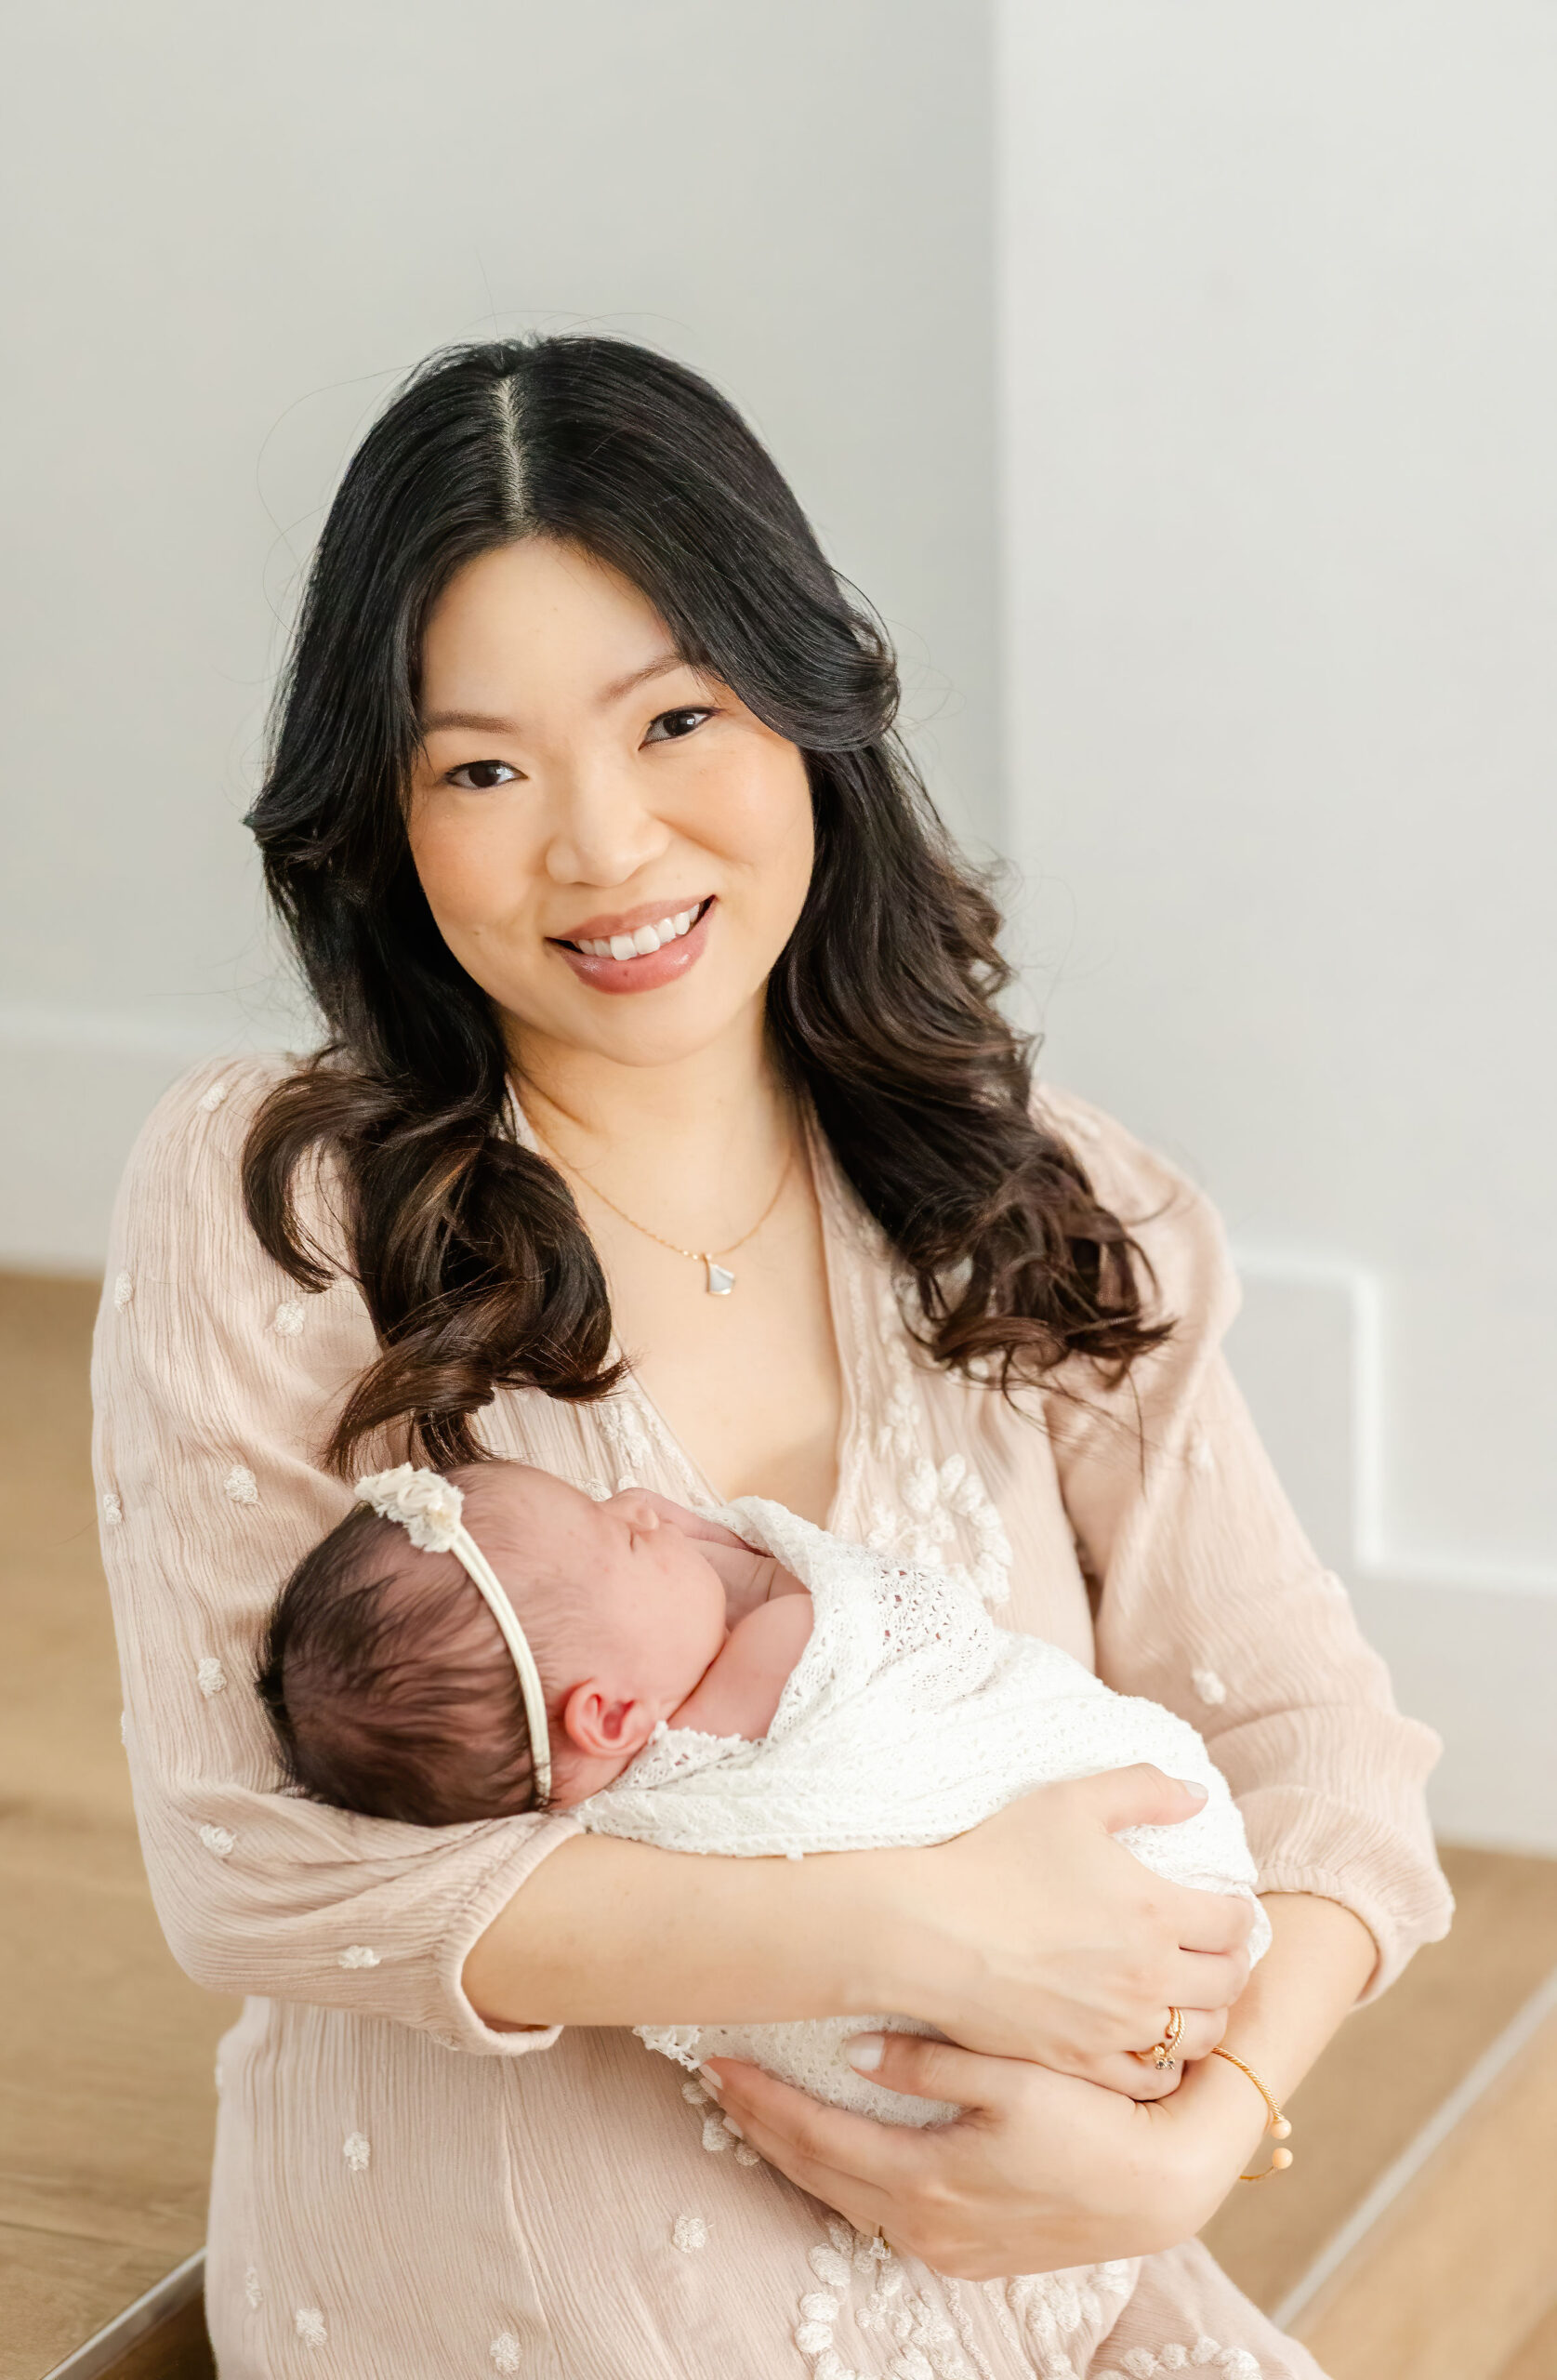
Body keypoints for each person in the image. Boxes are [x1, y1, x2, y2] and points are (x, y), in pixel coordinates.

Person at [92, 336, 1451, 2378]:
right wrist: (911, 1926)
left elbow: (1328, 1764)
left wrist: (1196, 2138)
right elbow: (247, 1865)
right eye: (483, 766)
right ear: (381, 818)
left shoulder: (1045, 1200)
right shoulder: (276, 1193)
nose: (605, 845)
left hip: (1050, 2308)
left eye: (674, 718)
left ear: (806, 711)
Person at [256, 1457, 1270, 2128]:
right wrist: (759, 1573)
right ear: (609, 1717)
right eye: (632, 1542)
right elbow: (890, 1618)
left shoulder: (601, 1828)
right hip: (1130, 1865)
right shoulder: (779, 1652)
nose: (646, 1508)